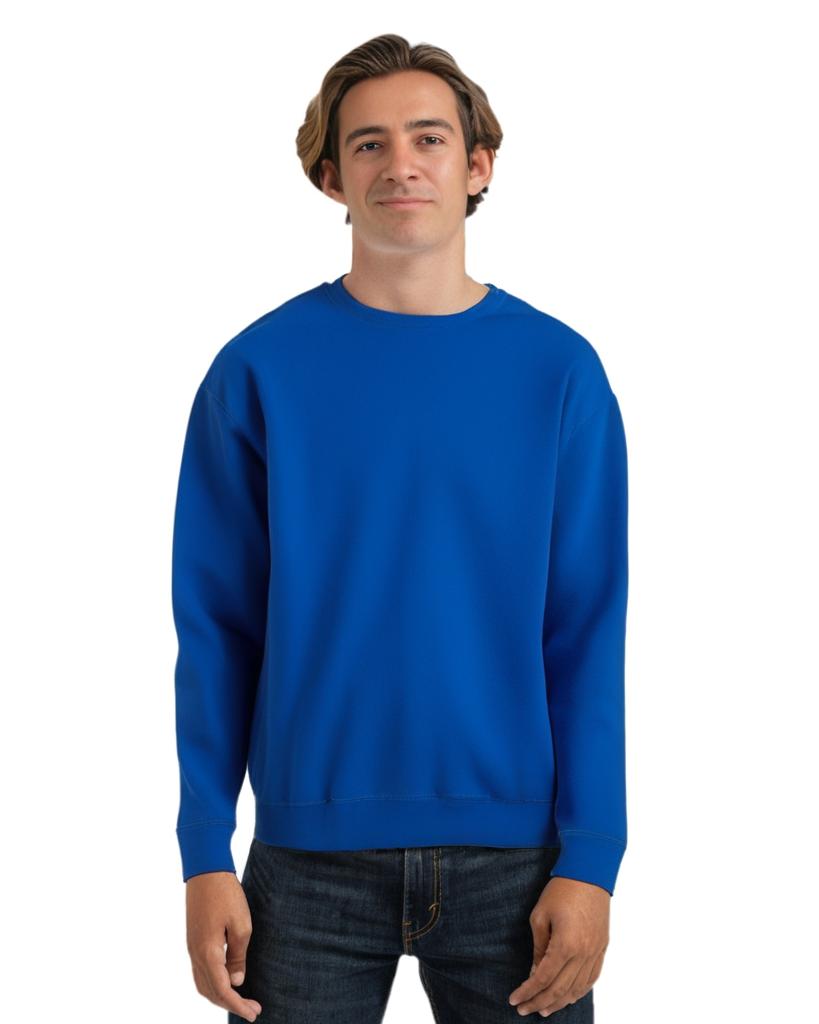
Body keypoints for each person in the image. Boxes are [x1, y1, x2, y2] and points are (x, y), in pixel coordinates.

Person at [172, 33, 629, 1024]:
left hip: (521, 865)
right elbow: (216, 630)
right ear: (331, 177)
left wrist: (594, 857)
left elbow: (586, 630)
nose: (401, 163)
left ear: (478, 166)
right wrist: (204, 849)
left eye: (429, 138)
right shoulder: (258, 372)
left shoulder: (559, 373)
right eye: (368, 143)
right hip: (305, 867)